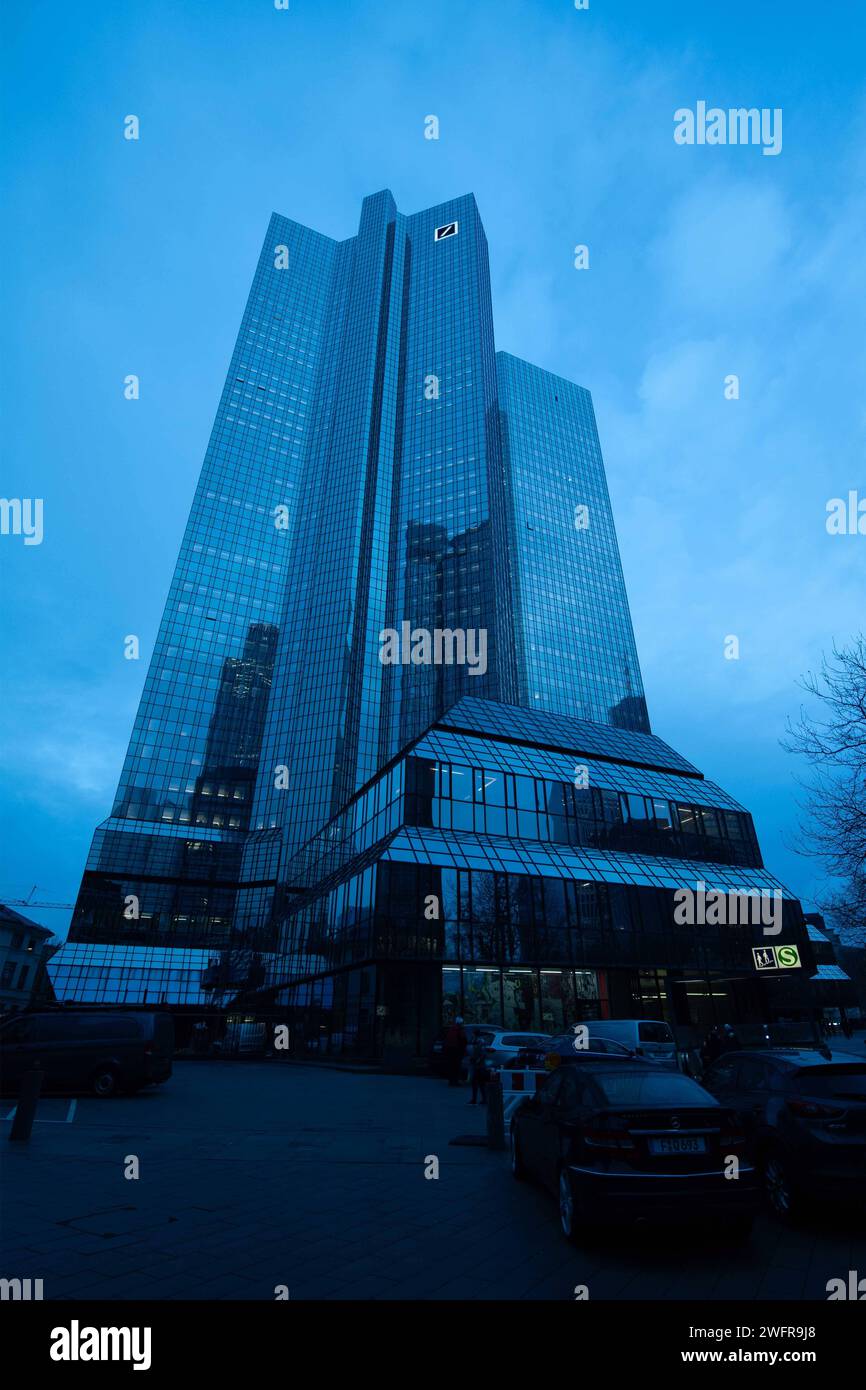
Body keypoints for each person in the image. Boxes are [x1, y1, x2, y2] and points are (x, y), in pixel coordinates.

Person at [443, 1016, 468, 1087]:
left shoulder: (451, 1029)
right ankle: (455, 1081)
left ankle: (451, 1081)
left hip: (450, 1050)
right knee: (456, 1066)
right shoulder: (460, 1030)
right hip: (456, 1050)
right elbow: (463, 1040)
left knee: (451, 1066)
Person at [467, 1030, 488, 1105]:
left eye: (473, 1034)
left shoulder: (480, 1042)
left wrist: (477, 1061)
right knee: (478, 1083)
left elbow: (483, 1054)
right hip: (476, 1065)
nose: (472, 1035)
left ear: (475, 1034)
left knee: (478, 1082)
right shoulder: (476, 1041)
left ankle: (477, 1099)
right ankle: (480, 1099)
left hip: (479, 1066)